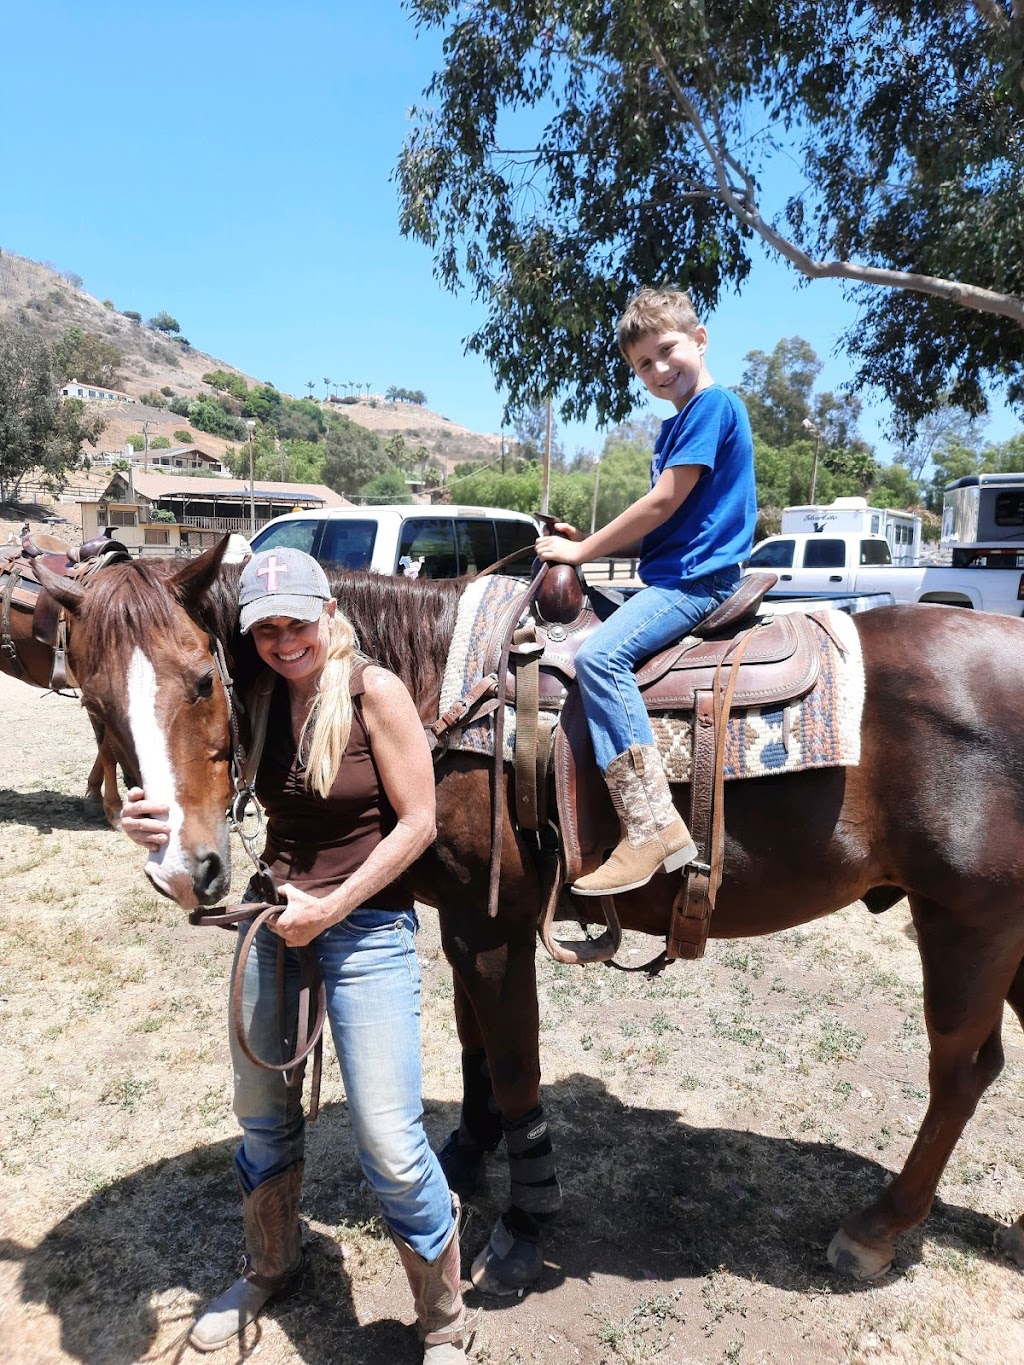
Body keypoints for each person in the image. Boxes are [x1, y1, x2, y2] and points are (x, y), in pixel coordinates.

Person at [120, 546, 478, 1363]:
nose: (284, 641)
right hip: (276, 922)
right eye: (266, 628)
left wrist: (336, 907)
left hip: (365, 930)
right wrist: (153, 827)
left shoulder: (372, 691)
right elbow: (196, 809)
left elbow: (419, 822)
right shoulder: (258, 699)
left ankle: (446, 1317)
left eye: (296, 623)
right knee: (260, 1119)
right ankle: (272, 1263)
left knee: (389, 1138)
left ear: (328, 615)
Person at [535, 286, 757, 897]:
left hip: (697, 581)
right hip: (674, 570)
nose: (659, 370)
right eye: (643, 365)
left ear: (700, 338)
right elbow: (669, 524)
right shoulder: (676, 425)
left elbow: (662, 502)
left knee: (600, 658)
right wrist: (593, 543)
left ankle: (651, 825)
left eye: (667, 351)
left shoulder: (712, 407)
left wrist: (581, 553)